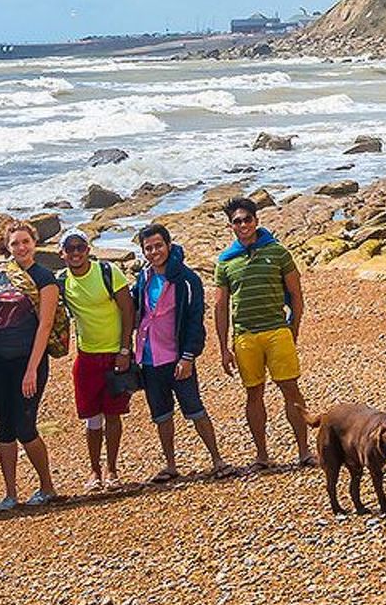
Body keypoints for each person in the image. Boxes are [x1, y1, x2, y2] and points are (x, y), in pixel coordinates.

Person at [212, 197, 313, 468]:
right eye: (237, 221)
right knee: (253, 395)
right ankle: (262, 456)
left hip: (277, 331)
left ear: (256, 220)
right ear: (230, 225)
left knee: (291, 390)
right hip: (245, 337)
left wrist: (295, 327)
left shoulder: (278, 252)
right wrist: (223, 347)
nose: (243, 225)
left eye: (247, 219)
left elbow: (296, 294)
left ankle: (304, 451)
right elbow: (221, 307)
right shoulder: (225, 262)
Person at [131, 223, 227, 482]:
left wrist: (188, 356)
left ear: (169, 245)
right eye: (148, 248)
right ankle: (171, 465)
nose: (154, 252)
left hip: (177, 358)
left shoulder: (187, 279)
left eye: (158, 246)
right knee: (161, 414)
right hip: (149, 358)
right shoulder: (144, 277)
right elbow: (134, 310)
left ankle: (218, 459)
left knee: (194, 409)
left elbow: (196, 320)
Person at [0, 220, 59, 508]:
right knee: (3, 428)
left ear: (34, 243)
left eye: (25, 241)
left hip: (30, 362)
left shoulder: (44, 277)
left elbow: (46, 324)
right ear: (7, 246)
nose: (21, 247)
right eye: (15, 243)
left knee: (25, 427)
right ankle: (11, 493)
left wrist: (31, 368)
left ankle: (47, 486)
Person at [57, 229, 134, 491]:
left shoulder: (108, 272)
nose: (76, 253)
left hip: (115, 355)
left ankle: (112, 470)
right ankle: (94, 471)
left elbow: (128, 311)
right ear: (62, 254)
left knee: (113, 414)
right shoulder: (61, 282)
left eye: (80, 247)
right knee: (92, 418)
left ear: (88, 249)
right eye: (70, 249)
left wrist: (125, 350)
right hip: (86, 356)